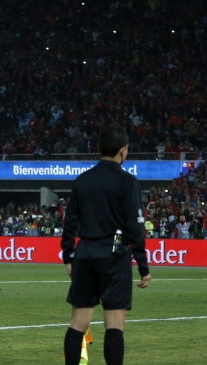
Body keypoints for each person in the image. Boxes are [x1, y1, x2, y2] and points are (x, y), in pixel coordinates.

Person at [61, 125, 151, 365]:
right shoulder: (127, 182)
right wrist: (143, 266)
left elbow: (70, 222)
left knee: (78, 322)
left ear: (100, 149)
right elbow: (135, 227)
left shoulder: (83, 180)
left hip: (85, 251)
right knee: (115, 324)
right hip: (115, 253)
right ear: (123, 151)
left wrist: (69, 256)